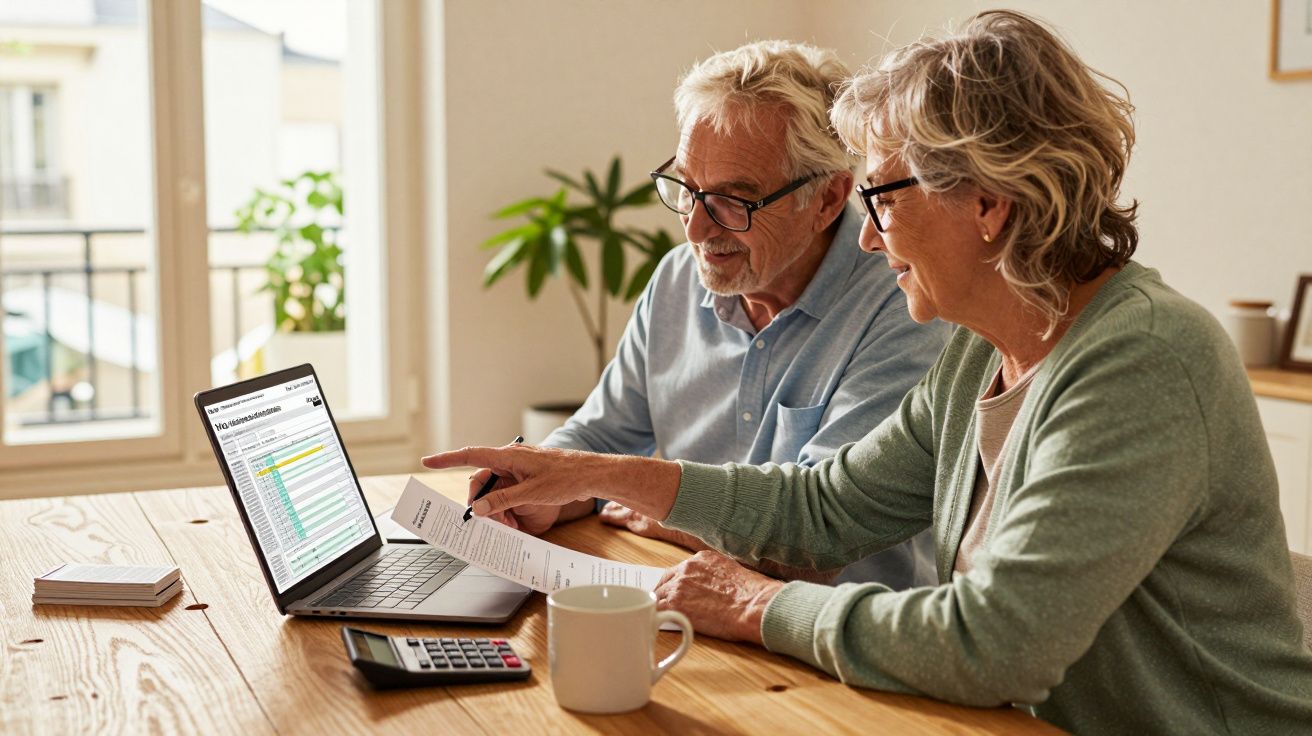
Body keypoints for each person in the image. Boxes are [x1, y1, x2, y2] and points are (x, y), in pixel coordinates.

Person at [424, 11, 1312, 733]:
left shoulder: (1142, 361)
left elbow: (993, 643)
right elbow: (824, 509)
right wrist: (585, 471)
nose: (868, 237)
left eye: (881, 196)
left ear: (988, 203)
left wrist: (755, 602)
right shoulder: (981, 351)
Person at [470, 40, 947, 588]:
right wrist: (540, 492)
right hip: (683, 596)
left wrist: (668, 515)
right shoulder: (677, 279)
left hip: (826, 626)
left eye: (734, 201)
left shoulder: (905, 304)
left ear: (827, 198)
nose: (697, 229)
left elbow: (817, 538)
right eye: (687, 189)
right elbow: (600, 440)